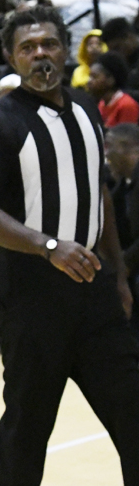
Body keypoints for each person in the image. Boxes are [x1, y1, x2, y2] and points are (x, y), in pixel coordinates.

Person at [0, 5, 139, 486]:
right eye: (27, 47)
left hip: (94, 290)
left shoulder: (86, 108)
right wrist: (47, 246)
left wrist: (118, 274)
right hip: (30, 290)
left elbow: (99, 193)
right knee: (30, 419)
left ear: (66, 49)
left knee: (132, 406)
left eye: (48, 44)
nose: (39, 54)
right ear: (11, 57)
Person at [105, 123, 139, 335]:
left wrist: (124, 263)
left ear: (127, 146)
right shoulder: (123, 185)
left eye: (110, 146)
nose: (106, 154)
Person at [87, 52, 139, 128]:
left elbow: (127, 134)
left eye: (94, 77)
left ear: (110, 80)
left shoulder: (127, 105)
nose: (89, 81)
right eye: (90, 76)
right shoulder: (102, 103)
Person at [101, 18, 139, 92]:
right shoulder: (120, 64)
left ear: (129, 37)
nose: (116, 54)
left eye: (117, 48)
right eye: (112, 51)